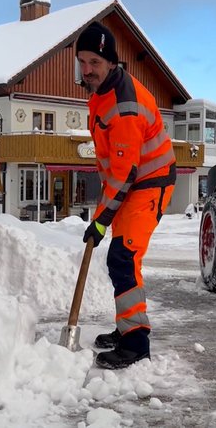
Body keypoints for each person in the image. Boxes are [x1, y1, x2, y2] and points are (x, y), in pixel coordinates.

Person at [76, 22, 176, 369]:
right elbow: (116, 168)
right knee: (121, 257)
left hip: (150, 182)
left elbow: (125, 170)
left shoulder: (125, 105)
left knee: (123, 257)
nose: (87, 70)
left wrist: (101, 219)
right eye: (83, 62)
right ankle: (126, 327)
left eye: (95, 63)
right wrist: (103, 213)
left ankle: (136, 342)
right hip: (128, 183)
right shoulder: (101, 92)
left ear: (111, 63)